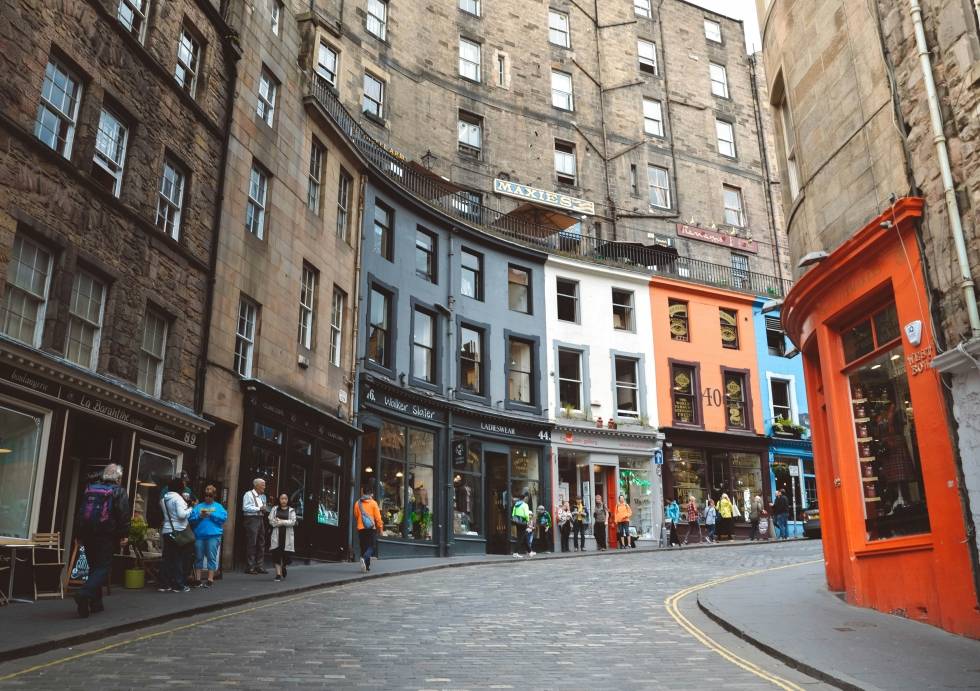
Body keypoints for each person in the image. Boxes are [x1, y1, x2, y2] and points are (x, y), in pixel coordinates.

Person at [73, 463, 131, 617]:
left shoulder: (90, 488)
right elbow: (123, 515)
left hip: (88, 534)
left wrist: (78, 535)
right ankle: (84, 593)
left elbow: (80, 513)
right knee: (103, 568)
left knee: (94, 567)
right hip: (106, 535)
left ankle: (95, 604)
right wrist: (124, 535)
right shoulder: (118, 491)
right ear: (118, 478)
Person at [160, 474, 193, 593]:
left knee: (167, 558)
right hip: (178, 531)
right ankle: (178, 585)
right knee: (178, 558)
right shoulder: (178, 498)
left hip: (166, 530)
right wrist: (190, 509)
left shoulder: (164, 499)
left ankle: (164, 584)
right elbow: (181, 515)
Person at [189, 485, 227, 588]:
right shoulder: (198, 506)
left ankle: (210, 579)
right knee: (198, 557)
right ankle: (198, 579)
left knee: (211, 557)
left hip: (213, 535)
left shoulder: (218, 507)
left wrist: (211, 515)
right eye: (206, 495)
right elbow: (191, 519)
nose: (208, 497)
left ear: (214, 495)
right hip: (199, 535)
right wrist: (199, 516)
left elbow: (223, 518)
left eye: (210, 495)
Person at [242, 478, 269, 574]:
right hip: (251, 519)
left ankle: (259, 566)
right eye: (263, 485)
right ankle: (250, 567)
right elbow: (245, 507)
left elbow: (263, 508)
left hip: (260, 518)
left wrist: (264, 509)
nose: (264, 487)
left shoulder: (263, 496)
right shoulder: (248, 494)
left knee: (261, 542)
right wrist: (259, 508)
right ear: (256, 485)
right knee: (252, 543)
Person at [353, 486, 383, 571]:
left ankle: (367, 566)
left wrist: (360, 521)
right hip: (371, 528)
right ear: (370, 494)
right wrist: (380, 528)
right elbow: (378, 518)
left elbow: (356, 515)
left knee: (364, 546)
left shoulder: (357, 503)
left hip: (361, 528)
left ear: (363, 493)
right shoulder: (373, 503)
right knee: (372, 546)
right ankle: (364, 557)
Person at [268, 493, 297, 581]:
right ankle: (278, 574)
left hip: (287, 536)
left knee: (286, 556)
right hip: (276, 535)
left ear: (288, 500)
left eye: (285, 499)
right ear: (279, 499)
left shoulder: (291, 510)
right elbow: (271, 521)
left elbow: (293, 522)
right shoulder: (274, 509)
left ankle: (283, 566)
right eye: (282, 498)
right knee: (276, 554)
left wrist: (281, 521)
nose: (283, 500)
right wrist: (280, 522)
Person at [511, 493, 533, 557]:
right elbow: (526, 514)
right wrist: (528, 521)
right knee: (520, 538)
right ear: (524, 498)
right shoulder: (525, 505)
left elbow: (513, 513)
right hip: (523, 522)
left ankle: (530, 552)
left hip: (517, 522)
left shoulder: (516, 504)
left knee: (524, 536)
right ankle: (515, 553)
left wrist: (515, 520)